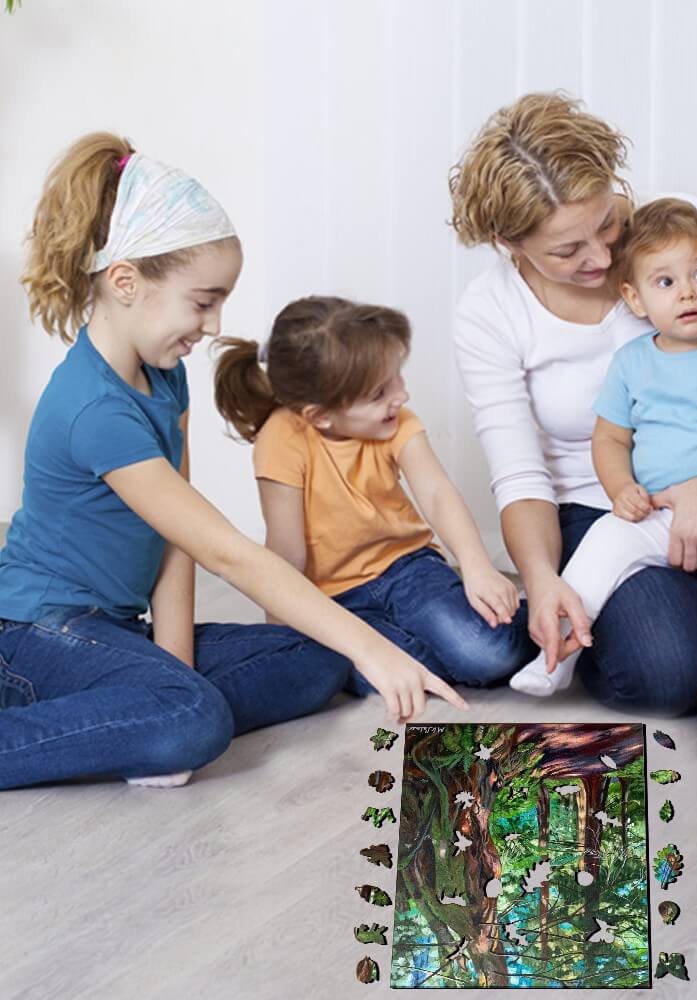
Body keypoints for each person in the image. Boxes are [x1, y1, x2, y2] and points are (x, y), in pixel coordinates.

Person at [0, 133, 465, 792]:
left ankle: (131, 715)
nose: (215, 323)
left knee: (313, 658)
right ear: (126, 282)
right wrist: (376, 650)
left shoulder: (165, 378)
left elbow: (179, 545)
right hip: (37, 632)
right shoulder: (93, 409)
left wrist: (176, 664)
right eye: (202, 300)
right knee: (192, 720)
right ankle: (133, 718)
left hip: (114, 628)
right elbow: (229, 553)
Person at [450, 92, 697, 713]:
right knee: (670, 674)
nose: (604, 258)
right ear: (510, 242)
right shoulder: (490, 311)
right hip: (604, 508)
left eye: (607, 222)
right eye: (568, 251)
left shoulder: (683, 242)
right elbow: (521, 476)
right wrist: (542, 579)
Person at [509, 198, 697, 698]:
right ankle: (555, 658)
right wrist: (621, 489)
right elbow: (611, 438)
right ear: (635, 299)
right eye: (665, 282)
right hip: (656, 509)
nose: (687, 292)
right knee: (599, 551)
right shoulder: (631, 363)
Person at [213, 296, 536, 691]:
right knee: (374, 676)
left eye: (397, 378)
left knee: (486, 655)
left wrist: (477, 566)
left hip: (407, 568)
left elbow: (436, 493)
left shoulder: (396, 421)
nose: (401, 397)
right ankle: (446, 644)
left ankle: (533, 614)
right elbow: (285, 550)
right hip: (335, 596)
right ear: (320, 415)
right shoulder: (280, 438)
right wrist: (286, 630)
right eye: (380, 393)